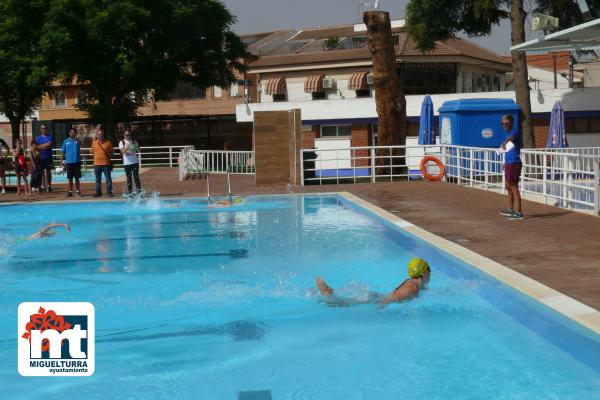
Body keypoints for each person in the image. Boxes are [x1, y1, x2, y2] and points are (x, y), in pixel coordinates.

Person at [315, 258, 431, 308]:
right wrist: (380, 311)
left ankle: (330, 292)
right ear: (424, 271)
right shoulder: (411, 287)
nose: (431, 272)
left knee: (349, 301)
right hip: (377, 299)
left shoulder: (417, 285)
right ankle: (327, 294)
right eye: (429, 268)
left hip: (378, 295)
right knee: (344, 304)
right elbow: (391, 299)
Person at [498, 115, 524, 220]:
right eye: (502, 123)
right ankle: (510, 209)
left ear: (511, 123)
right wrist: (505, 161)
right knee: (508, 186)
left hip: (514, 162)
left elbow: (511, 139)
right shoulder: (507, 134)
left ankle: (519, 213)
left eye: (506, 123)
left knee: (513, 187)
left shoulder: (514, 132)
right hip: (509, 162)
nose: (504, 125)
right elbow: (508, 149)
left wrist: (503, 143)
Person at [91, 127, 114, 197]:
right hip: (97, 164)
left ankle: (109, 192)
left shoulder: (108, 142)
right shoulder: (94, 143)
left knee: (108, 178)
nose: (100, 135)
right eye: (99, 134)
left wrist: (107, 158)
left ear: (104, 135)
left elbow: (112, 152)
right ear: (97, 135)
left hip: (106, 164)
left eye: (102, 134)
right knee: (98, 179)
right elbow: (92, 152)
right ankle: (98, 192)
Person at [118, 128, 142, 196]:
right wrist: (129, 145)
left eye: (129, 135)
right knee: (129, 178)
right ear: (124, 135)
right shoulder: (121, 142)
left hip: (134, 162)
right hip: (127, 163)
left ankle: (139, 191)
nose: (128, 136)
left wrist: (135, 145)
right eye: (127, 135)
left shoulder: (134, 141)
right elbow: (123, 151)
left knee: (136, 177)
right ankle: (130, 192)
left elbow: (139, 151)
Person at [61, 128, 82, 197]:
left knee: (77, 178)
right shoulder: (65, 141)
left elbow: (80, 144)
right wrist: (62, 162)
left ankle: (78, 191)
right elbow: (63, 153)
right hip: (69, 162)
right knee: (70, 178)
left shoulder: (77, 140)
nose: (73, 134)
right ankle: (70, 191)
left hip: (77, 162)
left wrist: (77, 139)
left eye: (74, 132)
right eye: (72, 132)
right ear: (69, 133)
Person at [35, 124, 55, 192]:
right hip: (40, 157)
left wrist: (40, 146)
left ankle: (49, 186)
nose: (44, 130)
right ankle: (40, 186)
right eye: (43, 128)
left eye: (45, 128)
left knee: (48, 172)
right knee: (40, 172)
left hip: (48, 157)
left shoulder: (50, 137)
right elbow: (36, 147)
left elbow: (49, 145)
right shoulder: (37, 138)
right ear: (40, 129)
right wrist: (45, 145)